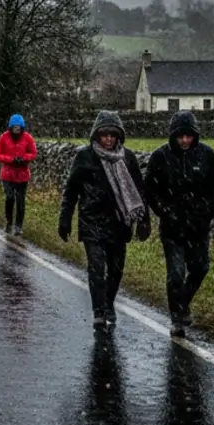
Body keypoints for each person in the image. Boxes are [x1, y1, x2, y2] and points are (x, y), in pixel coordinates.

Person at [59, 111, 151, 331]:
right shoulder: (85, 157)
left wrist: (143, 219)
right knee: (96, 268)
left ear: (118, 136)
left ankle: (108, 302)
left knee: (117, 269)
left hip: (119, 223)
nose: (108, 139)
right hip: (92, 221)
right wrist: (65, 218)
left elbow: (138, 190)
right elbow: (71, 190)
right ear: (96, 135)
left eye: (112, 135)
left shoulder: (127, 158)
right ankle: (99, 311)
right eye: (104, 134)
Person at [145, 110, 214, 337]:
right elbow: (150, 189)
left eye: (189, 136)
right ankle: (177, 318)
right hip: (172, 228)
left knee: (200, 268)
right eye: (181, 136)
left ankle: (183, 303)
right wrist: (165, 212)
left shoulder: (206, 155)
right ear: (173, 135)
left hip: (198, 227)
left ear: (195, 135)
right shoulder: (160, 156)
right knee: (176, 274)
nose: (185, 141)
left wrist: (208, 210)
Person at [0, 113, 37, 236]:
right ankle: (9, 222)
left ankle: (19, 226)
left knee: (20, 201)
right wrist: (11, 159)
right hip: (7, 175)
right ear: (11, 127)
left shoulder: (28, 138)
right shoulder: (4, 137)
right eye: (14, 128)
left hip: (22, 175)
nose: (17, 130)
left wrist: (24, 158)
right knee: (9, 198)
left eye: (19, 128)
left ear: (22, 127)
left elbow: (33, 153)